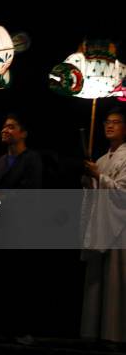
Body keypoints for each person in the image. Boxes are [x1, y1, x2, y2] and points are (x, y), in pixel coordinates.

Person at [0, 113, 43, 342]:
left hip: (20, 229)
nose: (5, 130)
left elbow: (32, 193)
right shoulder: (0, 162)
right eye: (4, 127)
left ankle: (20, 329)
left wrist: (1, 197)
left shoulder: (31, 159)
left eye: (12, 127)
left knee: (18, 280)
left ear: (23, 133)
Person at [81, 107, 126, 344]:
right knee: (97, 282)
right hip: (102, 225)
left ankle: (115, 335)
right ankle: (93, 333)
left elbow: (122, 194)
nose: (110, 126)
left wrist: (99, 177)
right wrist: (90, 183)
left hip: (120, 228)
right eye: (107, 122)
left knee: (115, 282)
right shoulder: (100, 159)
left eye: (116, 122)